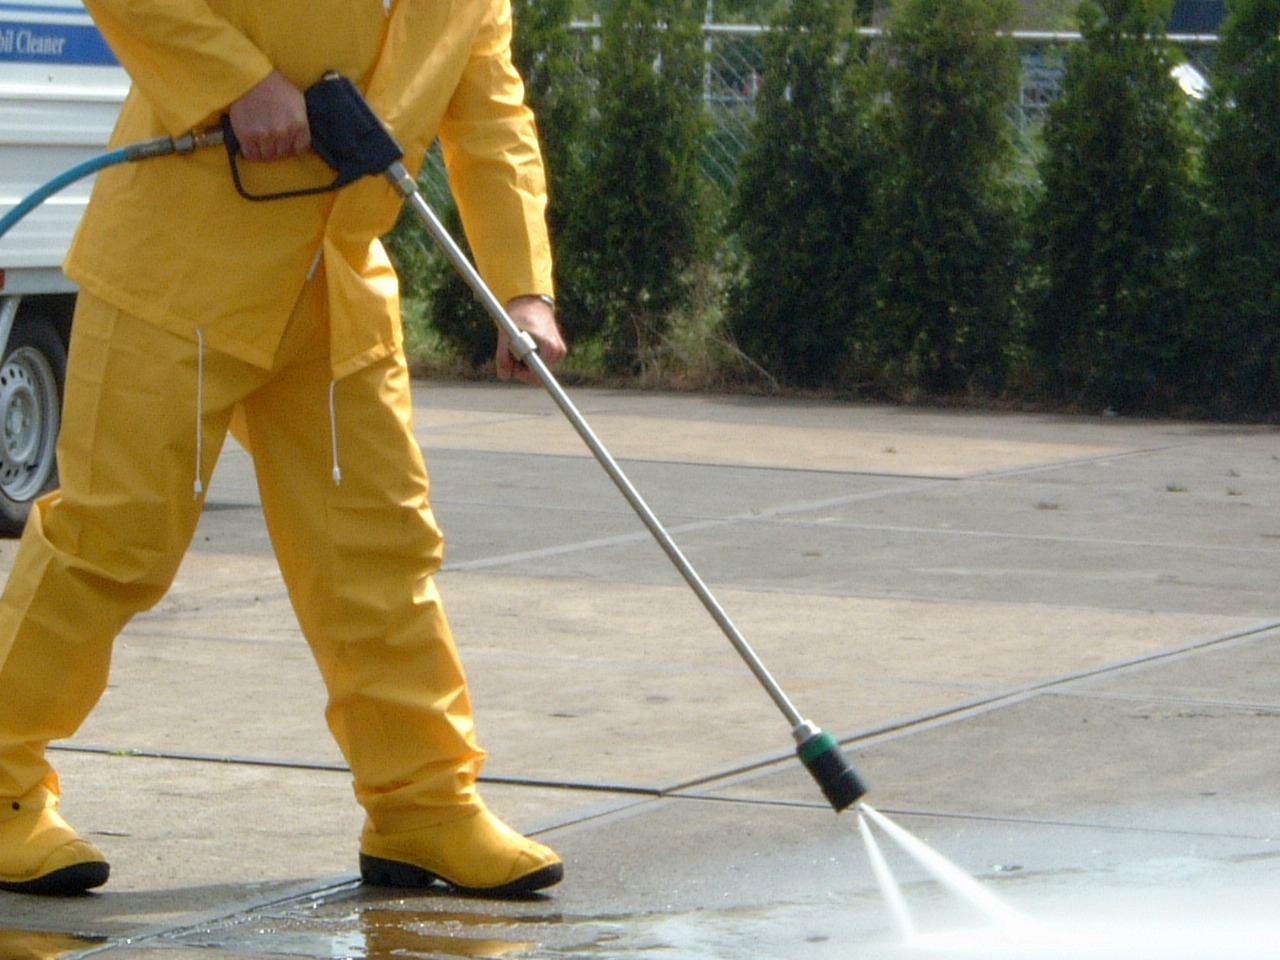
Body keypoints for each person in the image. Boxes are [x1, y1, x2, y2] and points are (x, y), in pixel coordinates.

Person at [0, 0, 567, 897]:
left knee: (379, 560)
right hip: (178, 271)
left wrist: (524, 289)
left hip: (337, 290)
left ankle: (423, 808)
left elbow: (493, 118)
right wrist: (238, 83)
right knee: (110, 545)